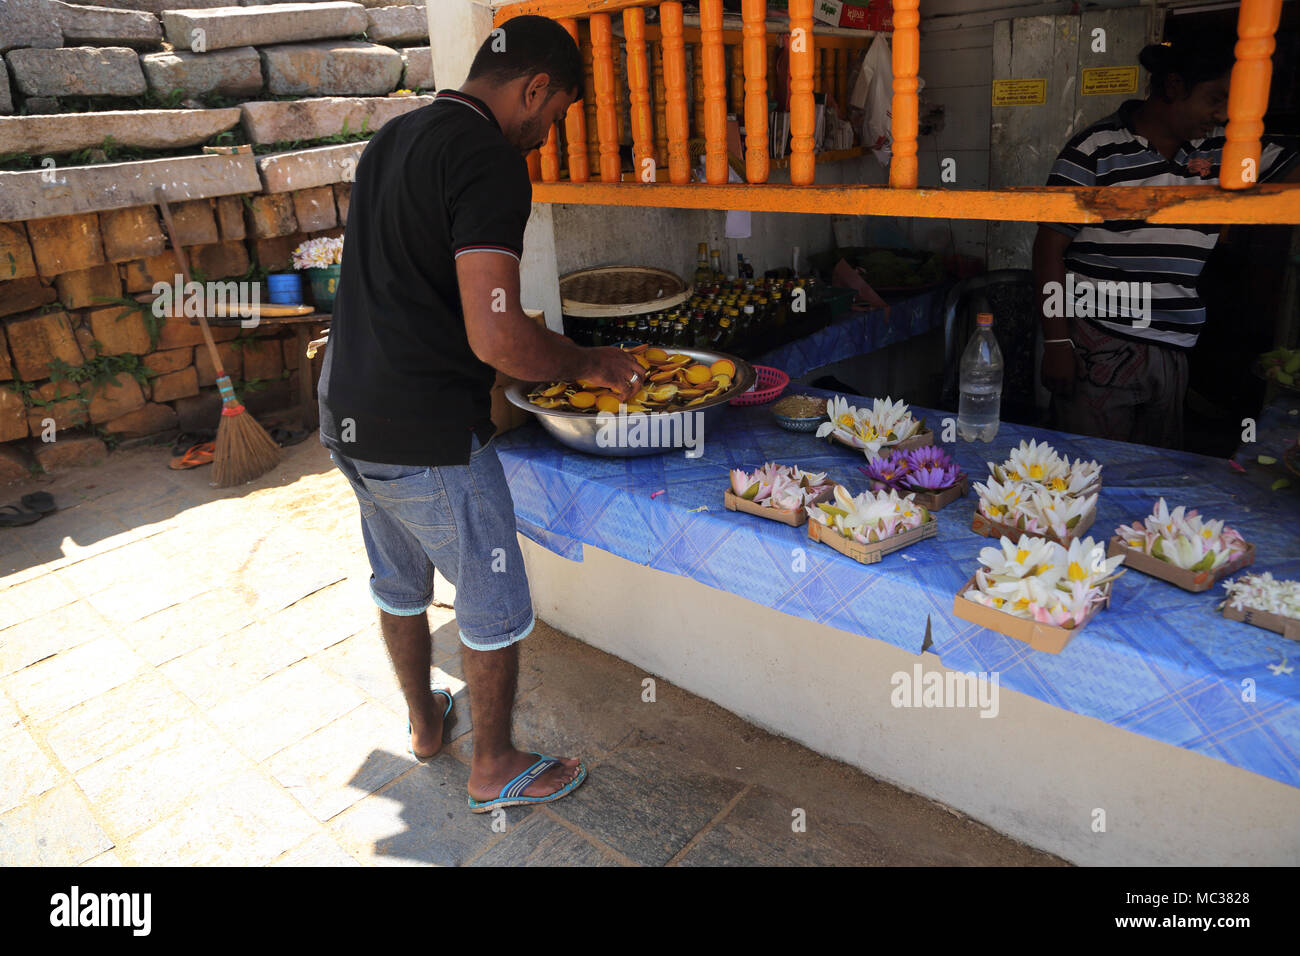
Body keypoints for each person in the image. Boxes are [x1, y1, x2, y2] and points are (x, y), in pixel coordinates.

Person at [316, 16, 644, 812]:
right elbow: (495, 334)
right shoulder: (490, 159)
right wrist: (585, 363)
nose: (548, 132)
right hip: (426, 430)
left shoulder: (394, 138)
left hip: (345, 413)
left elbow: (415, 286)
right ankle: (493, 764)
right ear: (534, 88)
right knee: (492, 599)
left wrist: (533, 342)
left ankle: (428, 727)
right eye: (557, 112)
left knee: (397, 579)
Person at [1033, 35, 1299, 449]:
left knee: (1154, 478)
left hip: (1174, 346)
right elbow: (1047, 251)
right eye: (1215, 98)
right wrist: (1056, 342)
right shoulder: (1095, 150)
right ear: (1174, 86)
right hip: (1098, 340)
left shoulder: (1225, 151)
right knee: (1086, 471)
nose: (1223, 114)